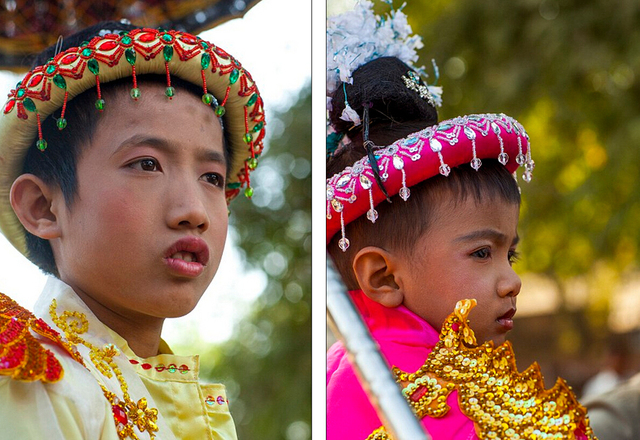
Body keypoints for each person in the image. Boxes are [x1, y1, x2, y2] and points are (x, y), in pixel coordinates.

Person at [326, 2, 595, 439]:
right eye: (482, 252)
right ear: (384, 277)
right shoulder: (411, 396)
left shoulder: (372, 366)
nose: (512, 281)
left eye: (511, 254)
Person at [0, 20, 265, 439]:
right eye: (147, 164)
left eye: (212, 177)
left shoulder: (182, 398)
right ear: (42, 208)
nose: (193, 211)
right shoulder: (32, 375)